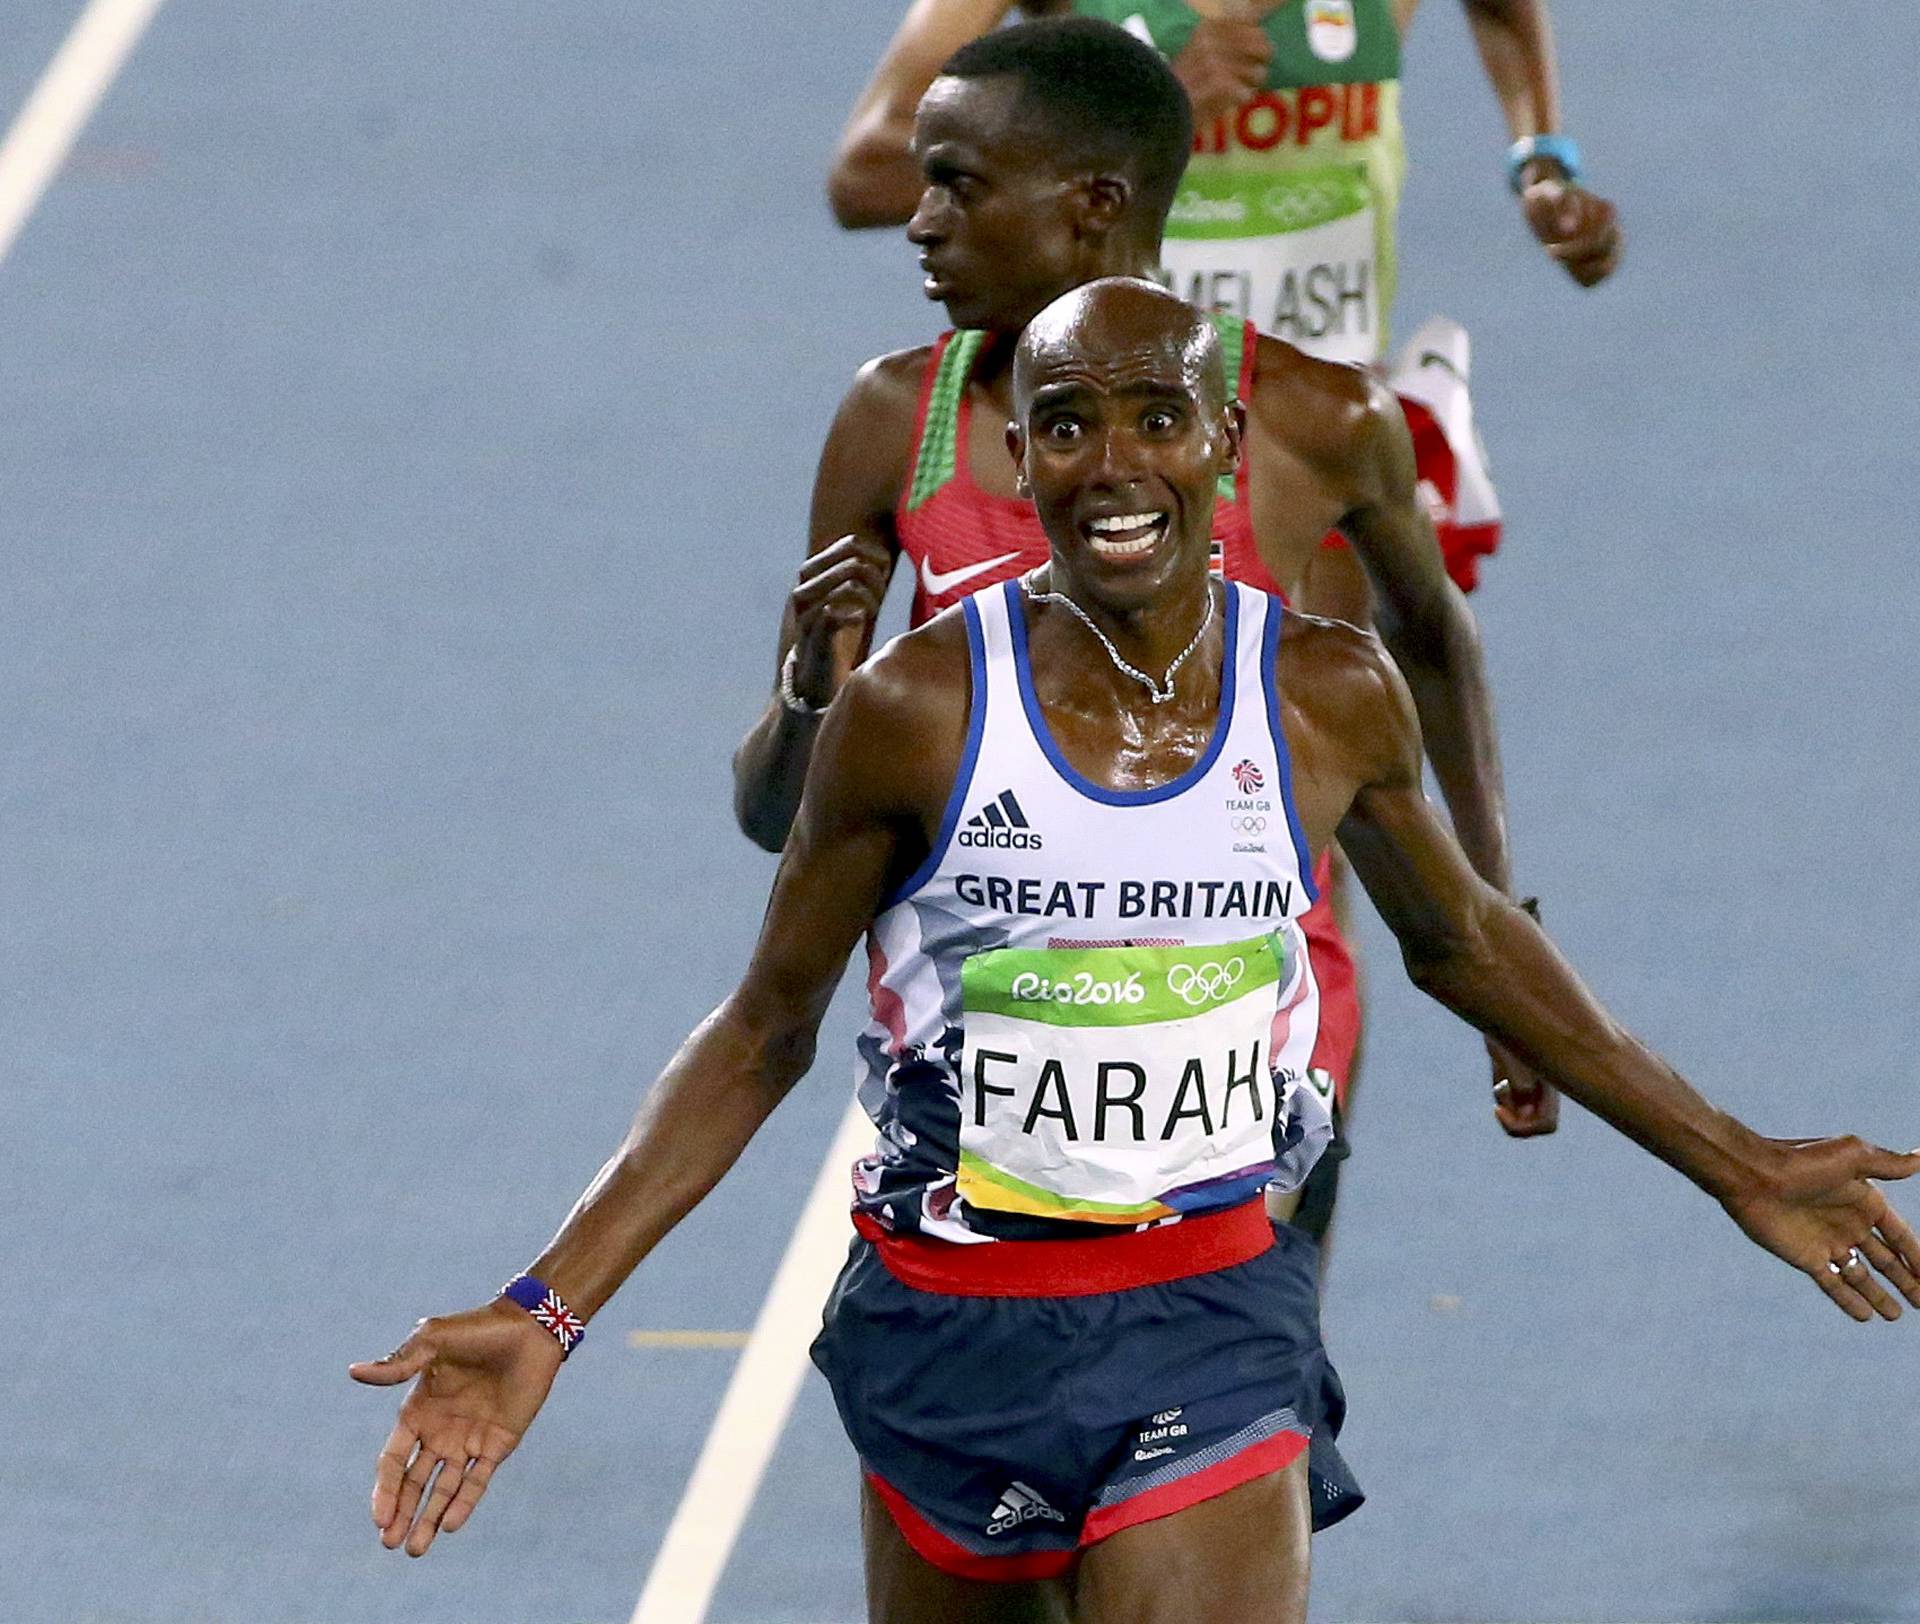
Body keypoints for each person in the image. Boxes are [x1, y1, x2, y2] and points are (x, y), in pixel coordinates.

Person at [353, 282, 1917, 1620]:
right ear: (1018, 453)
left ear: (1222, 448)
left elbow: (1467, 947)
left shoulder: (1322, 690)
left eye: (1158, 419)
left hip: (1212, 1308)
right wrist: (550, 1306)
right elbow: (763, 1027)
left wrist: (1738, 1163)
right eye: (1072, 423)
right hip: (945, 1318)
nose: (1118, 464)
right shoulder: (915, 710)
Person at [733, 20, 1551, 1255]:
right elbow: (777, 821)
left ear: (1093, 207)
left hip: (1245, 1038)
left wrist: (1500, 923)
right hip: (974, 1054)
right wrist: (806, 699)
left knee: (1230, 1386)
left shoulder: (1304, 421)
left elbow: (1429, 639)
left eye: (957, 186)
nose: (917, 220)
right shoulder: (894, 420)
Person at [827, 0, 1622, 355]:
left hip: (1320, 416)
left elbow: (1502, 12)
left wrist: (1540, 160)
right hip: (1109, 430)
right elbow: (865, 173)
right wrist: (1144, 111)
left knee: (1397, 674)